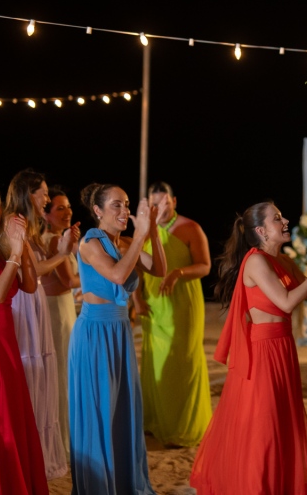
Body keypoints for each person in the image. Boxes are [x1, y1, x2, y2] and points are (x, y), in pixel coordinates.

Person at [190, 202, 307, 494]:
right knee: (264, 428)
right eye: (277, 218)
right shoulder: (255, 261)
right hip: (263, 353)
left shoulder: (283, 261)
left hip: (284, 349)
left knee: (283, 423)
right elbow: (285, 302)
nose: (285, 221)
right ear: (261, 231)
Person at [68, 183, 166, 494]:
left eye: (126, 205)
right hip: (95, 334)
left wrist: (150, 233)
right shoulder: (90, 243)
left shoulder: (126, 242)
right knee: (99, 412)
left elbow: (160, 269)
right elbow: (117, 276)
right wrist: (138, 239)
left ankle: (123, 483)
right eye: (116, 205)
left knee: (123, 411)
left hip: (120, 333)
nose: (124, 211)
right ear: (97, 211)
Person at [5, 169, 79, 480]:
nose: (47, 199)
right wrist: (63, 254)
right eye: (43, 194)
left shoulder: (31, 229)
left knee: (45, 374)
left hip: (34, 303)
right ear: (27, 193)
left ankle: (40, 448)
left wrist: (63, 253)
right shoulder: (15, 223)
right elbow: (31, 274)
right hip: (23, 302)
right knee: (31, 371)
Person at [0, 181, 49, 494]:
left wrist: (24, 248)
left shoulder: (2, 247)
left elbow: (30, 286)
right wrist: (16, 253)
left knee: (13, 412)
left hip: (6, 342)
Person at [133, 181, 212, 447]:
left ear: (174, 201)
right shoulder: (144, 230)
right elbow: (136, 265)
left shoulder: (190, 228)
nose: (160, 208)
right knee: (155, 362)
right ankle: (155, 422)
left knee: (182, 361)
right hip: (154, 304)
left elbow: (204, 266)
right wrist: (137, 298)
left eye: (164, 202)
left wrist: (178, 272)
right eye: (154, 204)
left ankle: (182, 427)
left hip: (183, 304)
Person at [41, 186, 81, 461]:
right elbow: (68, 281)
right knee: (63, 377)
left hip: (64, 307)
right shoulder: (55, 241)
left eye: (68, 207)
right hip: (58, 311)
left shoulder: (57, 239)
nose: (67, 212)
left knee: (63, 374)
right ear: (46, 215)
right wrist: (104, 275)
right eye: (59, 208)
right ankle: (63, 444)